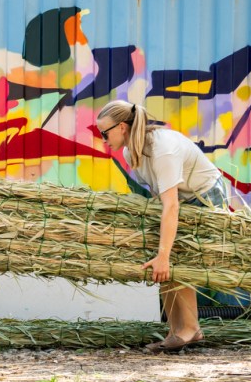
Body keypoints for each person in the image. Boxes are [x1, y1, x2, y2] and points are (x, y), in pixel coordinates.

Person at [95, 100, 227, 353]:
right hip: (180, 201)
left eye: (105, 132)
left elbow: (171, 205)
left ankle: (190, 328)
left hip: (205, 196)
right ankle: (176, 329)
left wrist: (164, 253)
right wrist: (160, 253)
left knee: (175, 256)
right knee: (161, 259)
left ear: (122, 127)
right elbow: (162, 198)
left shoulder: (162, 149)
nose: (103, 139)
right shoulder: (130, 152)